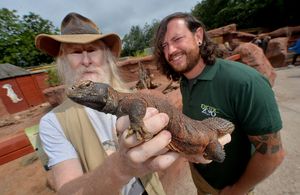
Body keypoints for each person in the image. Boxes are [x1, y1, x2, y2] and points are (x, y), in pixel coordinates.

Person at [35, 12, 230, 195]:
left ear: (106, 55)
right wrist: (120, 167)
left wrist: (191, 151)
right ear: (62, 58)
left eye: (93, 50)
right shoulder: (53, 122)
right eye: (75, 52)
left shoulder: (132, 97)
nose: (86, 60)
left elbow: (170, 139)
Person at [153, 12, 285, 195]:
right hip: (201, 178)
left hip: (231, 188)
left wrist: (237, 190)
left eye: (177, 39)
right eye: (164, 45)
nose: (170, 51)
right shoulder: (185, 81)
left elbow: (273, 155)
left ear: (198, 36)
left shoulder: (244, 82)